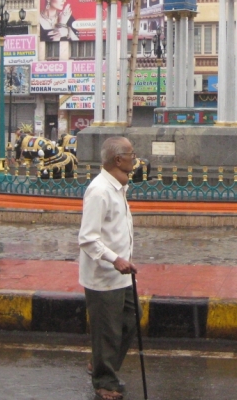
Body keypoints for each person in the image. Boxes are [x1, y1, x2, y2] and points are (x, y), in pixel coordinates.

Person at [79, 136, 138, 400]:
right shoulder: (99, 190)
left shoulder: (118, 187)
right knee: (107, 330)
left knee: (129, 321)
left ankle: (100, 361)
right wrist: (115, 259)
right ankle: (104, 382)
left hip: (122, 275)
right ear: (118, 159)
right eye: (130, 154)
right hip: (104, 276)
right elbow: (88, 238)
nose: (134, 159)